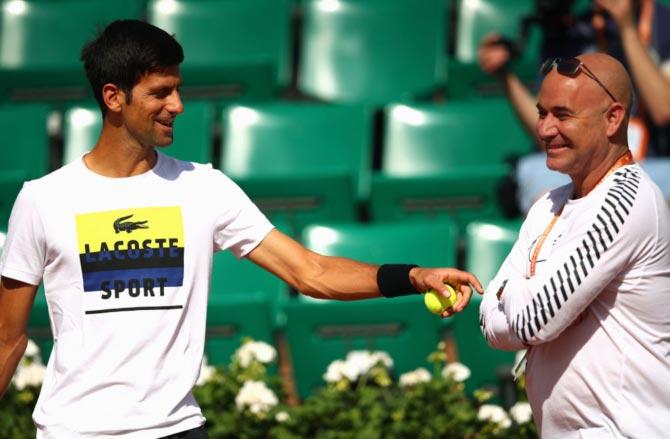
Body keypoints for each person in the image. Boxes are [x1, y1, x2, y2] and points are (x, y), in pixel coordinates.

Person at [0, 20, 483, 439]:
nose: (179, 105)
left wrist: (413, 276)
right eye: (160, 92)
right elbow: (7, 338)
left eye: (178, 88)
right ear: (113, 97)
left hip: (177, 429)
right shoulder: (43, 200)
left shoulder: (203, 187)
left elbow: (309, 272)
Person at [479, 52, 670, 437]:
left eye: (562, 115)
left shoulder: (628, 200)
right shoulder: (548, 205)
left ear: (613, 119)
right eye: (542, 113)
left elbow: (534, 319)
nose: (545, 130)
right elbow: (489, 321)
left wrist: (514, 289)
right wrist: (534, 299)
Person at [479, 0, 670, 213]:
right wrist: (506, 77)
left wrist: (626, 26)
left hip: (653, 165)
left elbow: (664, 109)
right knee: (535, 172)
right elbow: (549, 129)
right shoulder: (571, 30)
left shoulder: (663, 23)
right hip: (583, 163)